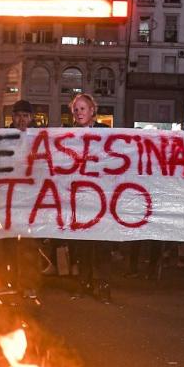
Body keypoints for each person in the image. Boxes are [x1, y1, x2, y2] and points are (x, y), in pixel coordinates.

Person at [0, 100, 41, 302]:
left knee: (28, 246)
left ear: (31, 118)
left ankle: (29, 284)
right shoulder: (2, 138)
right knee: (7, 245)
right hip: (8, 200)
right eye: (18, 115)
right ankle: (8, 282)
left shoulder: (39, 140)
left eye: (25, 116)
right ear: (13, 117)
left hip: (29, 202)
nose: (21, 119)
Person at [70, 93, 112, 302]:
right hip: (81, 199)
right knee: (82, 245)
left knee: (101, 245)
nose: (79, 113)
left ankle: (103, 287)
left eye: (82, 108)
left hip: (101, 199)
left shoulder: (106, 133)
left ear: (92, 111)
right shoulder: (68, 136)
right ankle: (83, 284)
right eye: (76, 109)